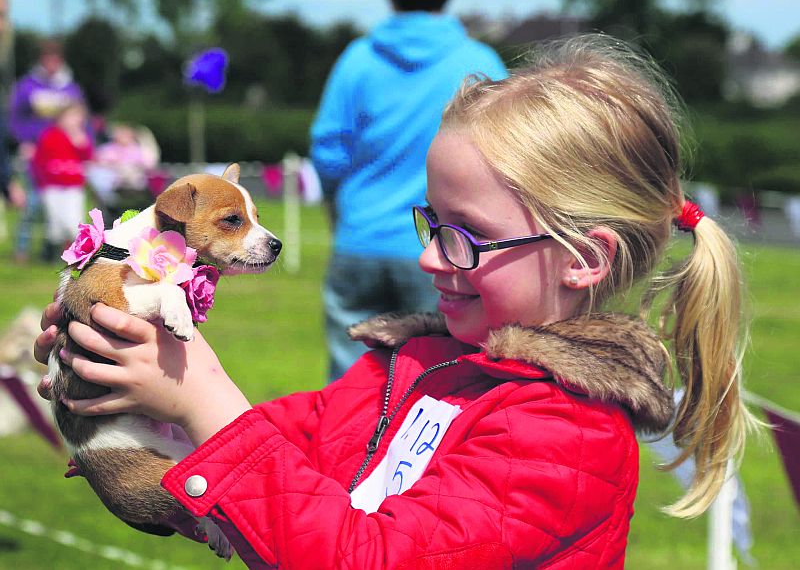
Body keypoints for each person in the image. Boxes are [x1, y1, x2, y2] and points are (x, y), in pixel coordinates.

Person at [35, 35, 756, 568]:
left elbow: (368, 556)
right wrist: (125, 406)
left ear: (585, 258)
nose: (428, 256)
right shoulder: (414, 367)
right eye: (432, 223)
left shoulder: (565, 432)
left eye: (469, 236)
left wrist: (201, 396)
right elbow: (285, 451)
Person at [311, 0, 507, 381]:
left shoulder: (358, 59)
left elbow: (329, 152)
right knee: (438, 379)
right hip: (447, 249)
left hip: (360, 239)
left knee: (349, 389)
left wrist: (339, 208)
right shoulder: (478, 60)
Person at [8, 37, 85, 262]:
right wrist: (23, 140)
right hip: (36, 153)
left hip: (62, 156)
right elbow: (14, 117)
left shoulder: (70, 87)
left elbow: (82, 120)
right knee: (31, 204)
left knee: (60, 212)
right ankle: (21, 249)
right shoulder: (27, 85)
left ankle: (54, 251)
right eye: (47, 59)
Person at [31, 102, 92, 256]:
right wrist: (41, 183)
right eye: (71, 116)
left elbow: (88, 157)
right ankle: (51, 251)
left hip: (73, 186)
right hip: (53, 186)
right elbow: (39, 161)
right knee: (56, 221)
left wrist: (80, 142)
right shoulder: (50, 135)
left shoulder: (80, 137)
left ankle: (75, 251)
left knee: (73, 220)